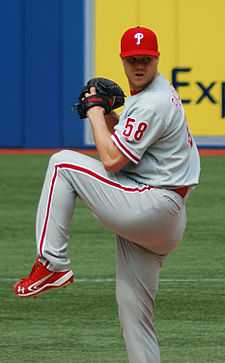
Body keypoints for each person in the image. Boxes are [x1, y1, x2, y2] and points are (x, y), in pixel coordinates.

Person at [14, 26, 200, 363]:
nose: (139, 66)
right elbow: (125, 145)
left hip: (152, 205)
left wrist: (97, 113)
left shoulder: (152, 102)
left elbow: (112, 160)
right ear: (123, 61)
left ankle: (52, 263)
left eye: (145, 59)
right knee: (135, 318)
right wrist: (110, 116)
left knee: (61, 164)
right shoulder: (154, 95)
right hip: (160, 217)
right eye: (132, 60)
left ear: (156, 59)